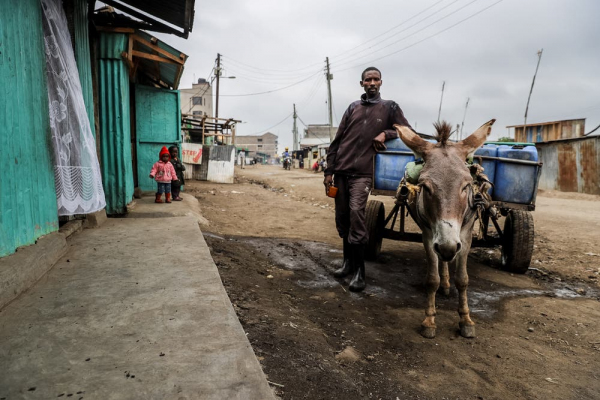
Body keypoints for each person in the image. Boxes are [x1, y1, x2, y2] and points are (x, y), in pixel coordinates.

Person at [323, 66, 411, 292]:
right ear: (361, 83)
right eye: (368, 80)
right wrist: (328, 172)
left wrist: (386, 133)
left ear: (381, 82)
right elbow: (337, 140)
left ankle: (360, 272)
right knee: (342, 218)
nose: (372, 83)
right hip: (341, 171)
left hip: (363, 173)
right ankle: (347, 264)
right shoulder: (353, 107)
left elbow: (406, 131)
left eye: (376, 79)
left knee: (356, 214)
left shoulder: (390, 107)